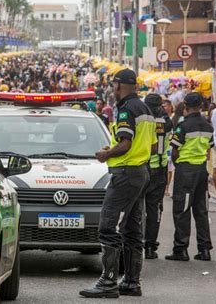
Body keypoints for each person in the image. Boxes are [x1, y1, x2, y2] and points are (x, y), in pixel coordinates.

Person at [80, 69, 156, 298]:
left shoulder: (126, 110)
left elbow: (125, 144)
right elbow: (152, 147)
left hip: (125, 174)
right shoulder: (146, 109)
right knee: (132, 230)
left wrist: (107, 154)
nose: (112, 90)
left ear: (120, 85)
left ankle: (108, 282)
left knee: (108, 226)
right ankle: (131, 282)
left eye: (113, 85)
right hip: (141, 172)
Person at [166, 93, 214, 262]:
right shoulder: (208, 126)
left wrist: (178, 165)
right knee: (201, 211)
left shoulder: (183, 126)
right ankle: (204, 249)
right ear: (201, 106)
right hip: (201, 171)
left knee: (182, 210)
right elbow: (209, 149)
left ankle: (181, 249)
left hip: (186, 171)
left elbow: (175, 151)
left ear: (185, 106)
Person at [143, 94, 173, 259]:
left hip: (143, 168)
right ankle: (150, 246)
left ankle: (134, 244)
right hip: (159, 170)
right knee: (154, 209)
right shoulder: (167, 123)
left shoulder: (142, 121)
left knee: (136, 208)